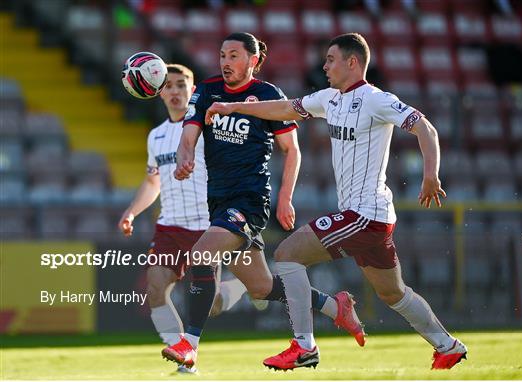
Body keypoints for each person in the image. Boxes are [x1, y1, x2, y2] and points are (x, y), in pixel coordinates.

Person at [205, 32, 468, 371]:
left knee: (287, 255)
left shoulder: (376, 99)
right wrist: (233, 105)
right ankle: (448, 345)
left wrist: (430, 174)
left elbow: (426, 129)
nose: (324, 66)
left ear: (352, 62)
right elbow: (286, 108)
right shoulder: (329, 98)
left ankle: (304, 346)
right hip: (367, 217)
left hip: (365, 215)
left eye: (330, 60)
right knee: (393, 294)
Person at [162, 32, 366, 372]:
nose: (225, 62)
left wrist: (285, 198)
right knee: (261, 287)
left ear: (253, 60)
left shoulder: (268, 96)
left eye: (233, 56)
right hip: (219, 201)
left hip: (249, 202)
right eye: (222, 55)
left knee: (200, 254)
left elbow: (292, 150)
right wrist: (185, 158)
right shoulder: (206, 89)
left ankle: (189, 344)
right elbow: (189, 134)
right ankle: (335, 306)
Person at [118, 64, 258, 374]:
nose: (175, 91)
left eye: (182, 85)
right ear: (158, 90)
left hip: (206, 225)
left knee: (214, 304)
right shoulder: (156, 137)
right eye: (168, 85)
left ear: (192, 91)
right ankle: (183, 353)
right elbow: (152, 181)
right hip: (169, 224)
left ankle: (236, 289)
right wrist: (132, 211)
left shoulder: (208, 130)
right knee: (156, 288)